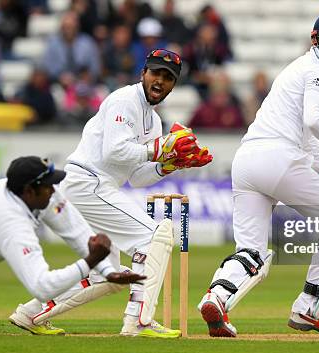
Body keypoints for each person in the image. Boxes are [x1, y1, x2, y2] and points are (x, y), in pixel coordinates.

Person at [196, 11, 319, 337]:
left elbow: (305, 136)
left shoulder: (297, 68)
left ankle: (216, 298)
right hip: (279, 160)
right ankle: (308, 308)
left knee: (252, 252)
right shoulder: (318, 71)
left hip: (247, 162)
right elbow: (314, 121)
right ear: (316, 41)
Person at [50, 49, 212, 338]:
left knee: (109, 276)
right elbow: (115, 151)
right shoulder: (125, 100)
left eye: (167, 78)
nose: (160, 81)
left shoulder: (154, 121)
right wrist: (160, 149)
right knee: (155, 236)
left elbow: (137, 177)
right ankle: (139, 320)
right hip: (88, 182)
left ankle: (31, 314)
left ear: (174, 85)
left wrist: (169, 166)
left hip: (96, 186)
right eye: (155, 73)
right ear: (143, 74)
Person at [0, 156, 144, 334]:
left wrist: (107, 271)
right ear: (29, 191)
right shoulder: (11, 226)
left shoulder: (22, 189)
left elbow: (75, 230)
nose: (54, 191)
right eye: (48, 186)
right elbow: (42, 287)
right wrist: (90, 262)